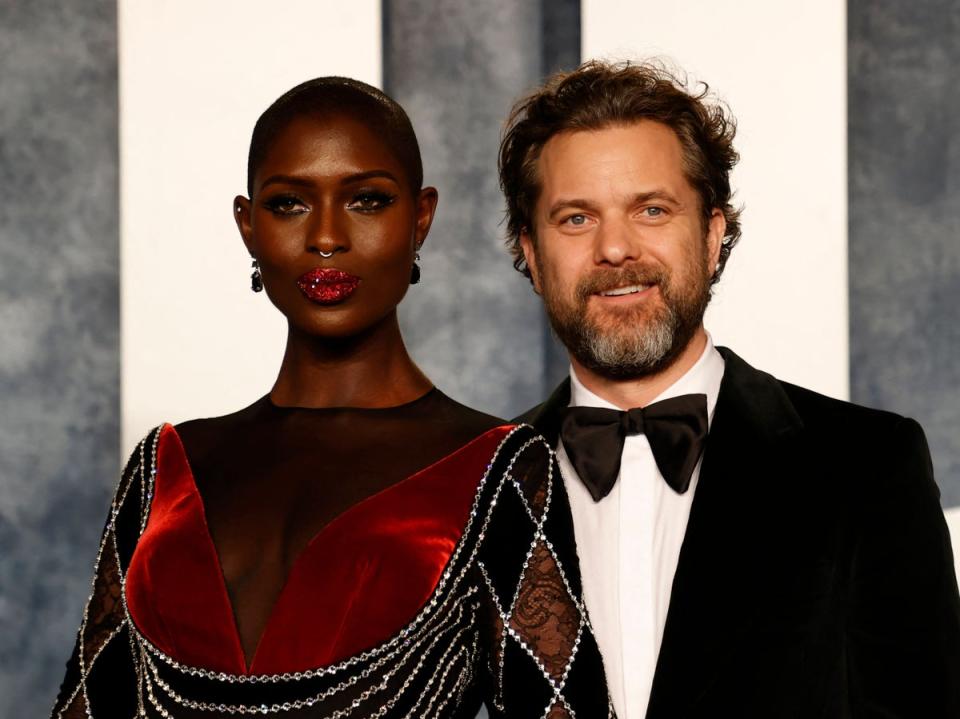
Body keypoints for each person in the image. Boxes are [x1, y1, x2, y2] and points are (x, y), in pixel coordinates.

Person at [477, 60, 960, 718]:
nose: (615, 248)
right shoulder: (476, 489)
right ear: (529, 252)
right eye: (575, 219)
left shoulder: (868, 467)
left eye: (651, 209)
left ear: (712, 234)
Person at [51, 77, 539, 718]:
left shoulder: (502, 468)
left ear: (420, 217)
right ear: (247, 225)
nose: (328, 237)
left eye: (366, 200)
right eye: (289, 204)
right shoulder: (164, 467)